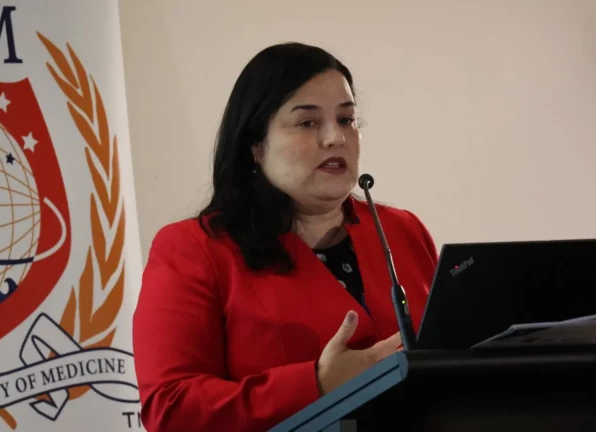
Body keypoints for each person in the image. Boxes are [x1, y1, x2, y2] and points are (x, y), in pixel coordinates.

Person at [132, 42, 439, 432]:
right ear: (255, 145)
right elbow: (170, 408)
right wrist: (318, 384)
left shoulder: (402, 230)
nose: (335, 138)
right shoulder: (194, 249)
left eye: (346, 119)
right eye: (308, 123)